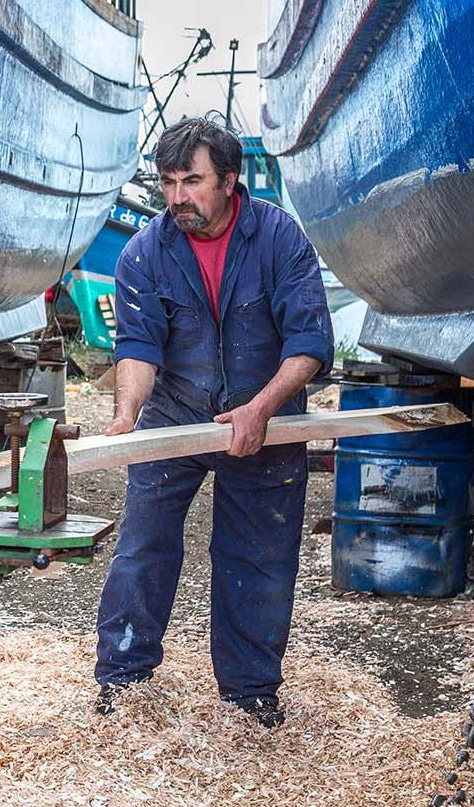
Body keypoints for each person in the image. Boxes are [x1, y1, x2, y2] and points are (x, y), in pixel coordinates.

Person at [94, 117, 333, 727]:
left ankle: (250, 694)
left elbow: (308, 342)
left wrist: (261, 408)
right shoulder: (145, 251)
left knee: (258, 553)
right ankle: (124, 680)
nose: (177, 198)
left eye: (192, 181)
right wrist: (126, 416)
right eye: (168, 183)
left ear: (229, 180)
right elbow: (139, 347)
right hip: (175, 412)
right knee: (143, 543)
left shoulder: (280, 239)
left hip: (266, 415)